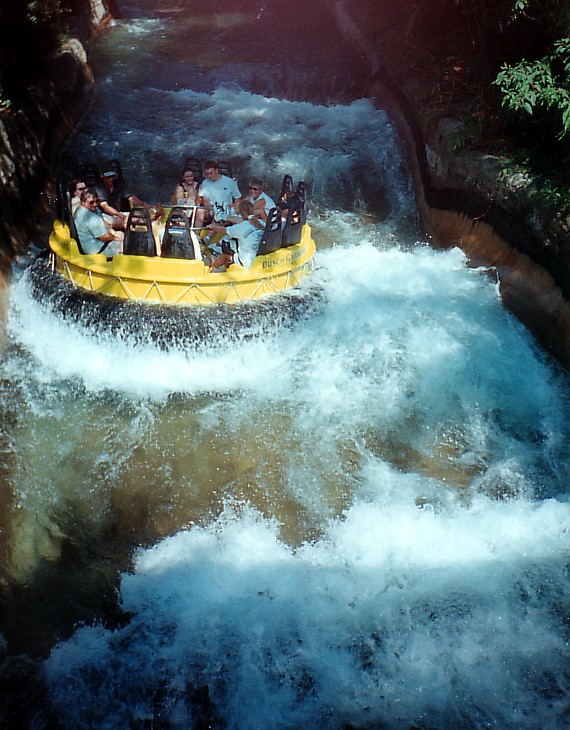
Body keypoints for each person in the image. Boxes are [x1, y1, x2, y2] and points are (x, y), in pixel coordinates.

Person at [207, 200, 264, 271]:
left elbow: (223, 230)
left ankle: (213, 265)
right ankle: (223, 266)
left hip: (247, 262)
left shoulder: (240, 227)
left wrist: (212, 227)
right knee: (233, 244)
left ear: (240, 213)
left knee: (225, 250)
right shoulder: (260, 223)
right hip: (257, 258)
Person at [74, 188, 124, 256]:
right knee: (127, 245)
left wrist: (112, 231)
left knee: (121, 234)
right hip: (97, 249)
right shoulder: (90, 217)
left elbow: (103, 219)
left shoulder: (85, 209)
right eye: (91, 202)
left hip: (94, 243)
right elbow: (103, 237)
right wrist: (115, 237)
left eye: (97, 201)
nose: (95, 204)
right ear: (83, 202)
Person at [198, 160, 241, 224]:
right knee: (199, 212)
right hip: (212, 209)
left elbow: (237, 198)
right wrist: (210, 209)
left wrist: (233, 206)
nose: (209, 176)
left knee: (221, 215)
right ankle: (195, 232)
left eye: (211, 173)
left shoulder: (229, 182)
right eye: (207, 174)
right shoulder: (205, 183)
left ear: (217, 170)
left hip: (226, 209)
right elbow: (205, 200)